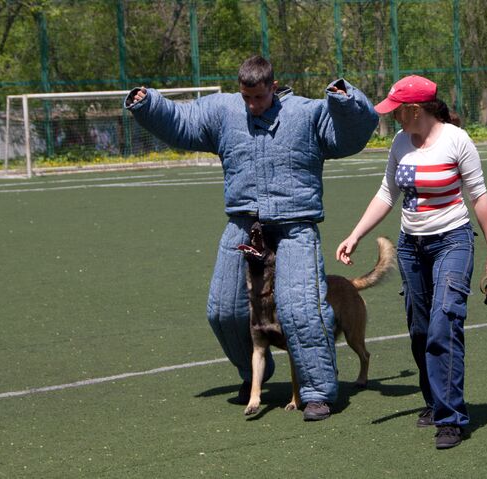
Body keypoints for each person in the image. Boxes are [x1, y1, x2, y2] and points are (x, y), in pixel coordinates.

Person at [125, 55, 378, 421]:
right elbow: (184, 121)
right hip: (245, 226)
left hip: (295, 226)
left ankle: (318, 392)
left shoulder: (306, 114)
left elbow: (352, 133)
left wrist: (345, 99)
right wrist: (148, 105)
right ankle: (254, 372)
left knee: (302, 310)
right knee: (223, 310)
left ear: (273, 87)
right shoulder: (225, 111)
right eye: (246, 97)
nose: (251, 105)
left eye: (258, 98)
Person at [335, 75, 487, 448]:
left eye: (396, 110)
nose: (392, 116)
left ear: (414, 109)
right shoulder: (399, 143)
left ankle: (451, 418)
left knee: (445, 321)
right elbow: (387, 193)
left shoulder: (456, 141)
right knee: (420, 328)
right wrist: (355, 234)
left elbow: (479, 198)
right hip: (411, 247)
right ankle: (433, 400)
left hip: (453, 241)